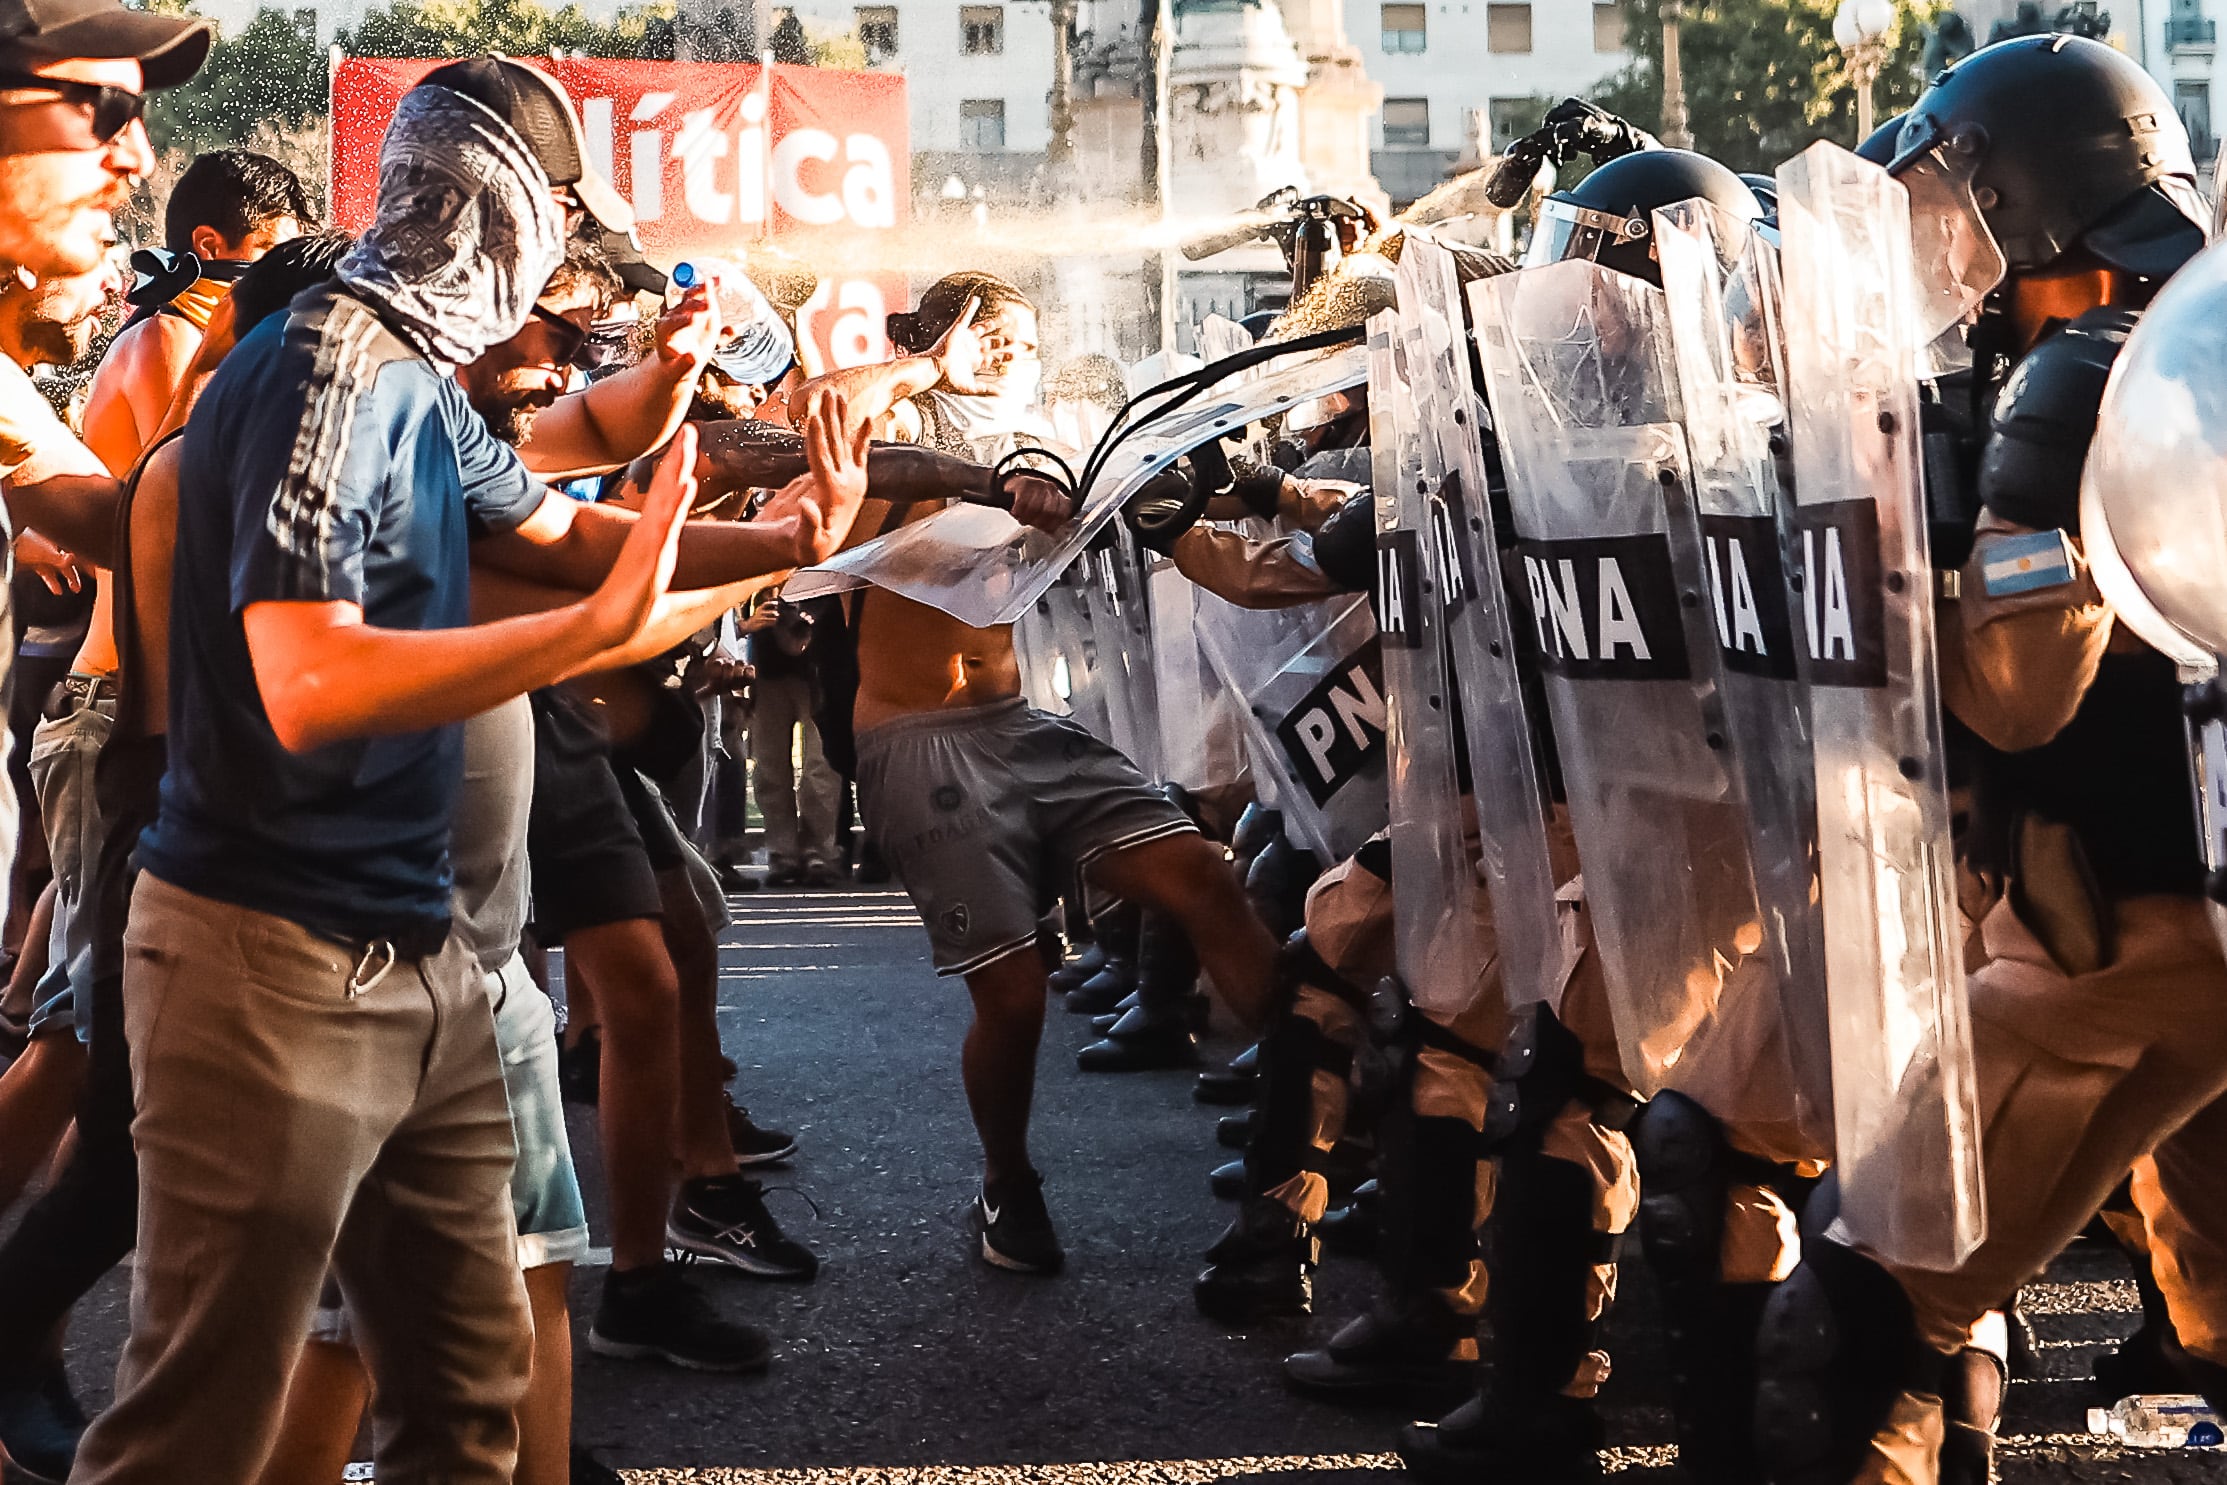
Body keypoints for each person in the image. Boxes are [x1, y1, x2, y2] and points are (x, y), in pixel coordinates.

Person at [68, 57, 858, 1485]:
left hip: (420, 956)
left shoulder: (420, 382)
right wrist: (592, 633)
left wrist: (795, 534)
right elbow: (309, 683)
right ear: (496, 200)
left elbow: (567, 538)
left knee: (471, 1399)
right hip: (271, 965)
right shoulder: (328, 368)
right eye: (555, 210)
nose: (561, 252)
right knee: (201, 1431)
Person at [1755, 37, 2227, 1485]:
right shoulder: (2179, 346)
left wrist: (1934, 558)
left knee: (1866, 1291)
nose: (1922, 239)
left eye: (1944, 198)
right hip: (2169, 907)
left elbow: (2023, 700)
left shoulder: (2076, 380)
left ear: (2013, 197)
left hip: (2121, 925)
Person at [787, 271, 1280, 1275]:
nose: (1007, 349)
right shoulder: (891, 434)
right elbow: (812, 413)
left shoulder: (1041, 435)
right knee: (1012, 996)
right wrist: (928, 370)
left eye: (1021, 333)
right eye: (986, 333)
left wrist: (1294, 501)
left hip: (1021, 724)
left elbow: (1175, 499)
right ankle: (1007, 1186)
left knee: (1203, 874)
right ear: (934, 337)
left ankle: (1299, 1155)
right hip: (916, 741)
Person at [79, 147, 308, 473]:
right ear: (209, 246)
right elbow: (180, 485)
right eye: (273, 252)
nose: (285, 271)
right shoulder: (167, 335)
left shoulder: (201, 334)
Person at [746, 586, 841, 886]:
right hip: (767, 667)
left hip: (820, 669)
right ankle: (782, 850)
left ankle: (819, 850)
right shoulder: (763, 559)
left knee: (821, 765)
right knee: (769, 763)